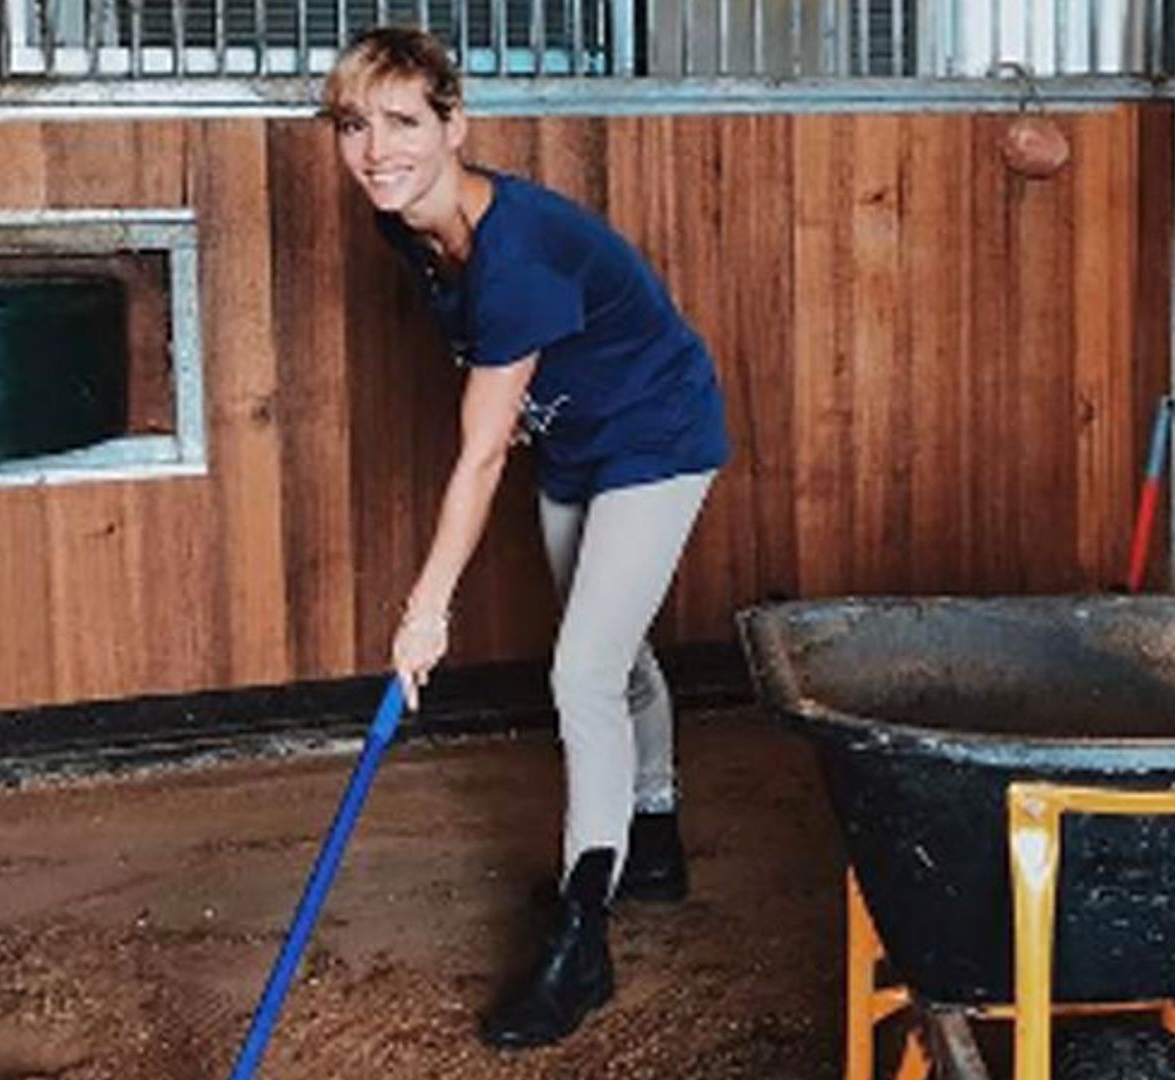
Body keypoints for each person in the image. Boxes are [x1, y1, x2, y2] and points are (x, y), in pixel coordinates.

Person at [320, 26, 728, 1050]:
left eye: (404, 122)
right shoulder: (405, 223)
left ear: (456, 123)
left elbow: (483, 452)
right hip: (579, 444)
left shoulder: (520, 259)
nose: (377, 151)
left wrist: (425, 611)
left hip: (658, 436)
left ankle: (583, 940)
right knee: (614, 648)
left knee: (581, 674)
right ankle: (658, 834)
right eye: (353, 125)